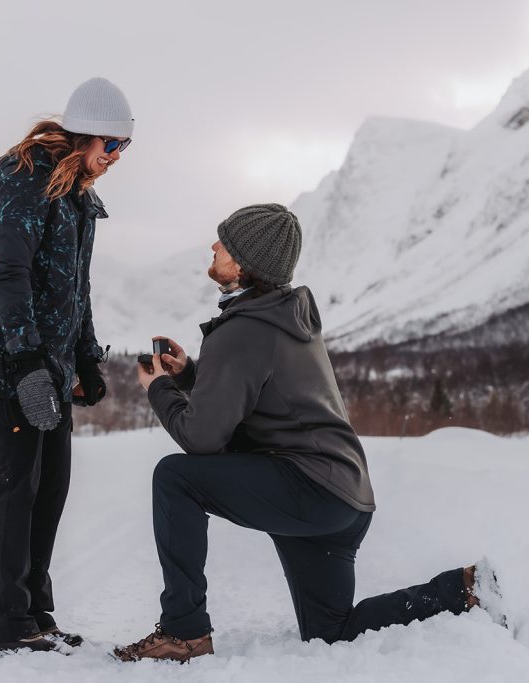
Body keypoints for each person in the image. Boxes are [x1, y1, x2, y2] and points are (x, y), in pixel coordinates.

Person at [114, 204, 499, 663]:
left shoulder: (243, 331)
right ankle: (465, 590)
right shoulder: (283, 316)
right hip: (343, 497)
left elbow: (201, 439)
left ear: (242, 263)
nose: (214, 247)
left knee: (175, 476)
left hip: (308, 488)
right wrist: (191, 375)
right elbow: (260, 394)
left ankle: (184, 632)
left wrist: (158, 388)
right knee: (330, 633)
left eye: (224, 243)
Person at [0, 77, 133, 652]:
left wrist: (85, 358)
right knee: (18, 484)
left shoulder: (78, 199)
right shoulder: (25, 179)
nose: (114, 158)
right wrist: (28, 360)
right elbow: (10, 274)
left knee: (51, 485)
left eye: (123, 149)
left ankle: (34, 613)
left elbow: (75, 289)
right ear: (86, 135)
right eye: (110, 145)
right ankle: (4, 622)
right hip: (12, 361)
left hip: (52, 366)